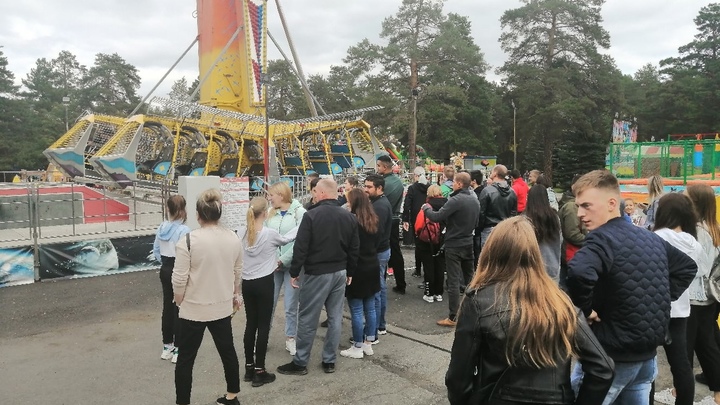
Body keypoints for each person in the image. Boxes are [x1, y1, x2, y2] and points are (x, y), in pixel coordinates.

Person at [446, 217, 614, 405]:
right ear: (535, 253)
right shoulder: (562, 303)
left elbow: (458, 377)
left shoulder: (478, 301)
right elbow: (603, 368)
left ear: (491, 251)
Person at [567, 170, 696, 404]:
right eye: (578, 206)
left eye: (586, 206)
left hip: (611, 358)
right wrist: (658, 299)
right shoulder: (650, 238)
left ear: (611, 203)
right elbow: (686, 267)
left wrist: (586, 310)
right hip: (646, 360)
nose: (580, 214)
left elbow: (577, 272)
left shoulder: (602, 238)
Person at [277, 179, 359, 376]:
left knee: (307, 317)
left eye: (315, 192)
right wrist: (350, 272)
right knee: (335, 317)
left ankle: (301, 362)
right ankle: (329, 360)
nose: (313, 195)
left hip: (317, 273)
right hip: (339, 272)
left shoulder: (312, 216)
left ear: (322, 193)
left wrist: (295, 272)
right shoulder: (348, 216)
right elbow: (354, 247)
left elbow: (301, 247)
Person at [172, 189, 243, 405]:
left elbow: (179, 278)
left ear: (198, 215)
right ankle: (232, 395)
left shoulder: (189, 241)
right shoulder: (232, 237)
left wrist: (179, 299)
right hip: (221, 306)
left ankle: (183, 402)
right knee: (227, 351)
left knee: (185, 359)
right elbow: (237, 271)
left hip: (193, 307)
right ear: (218, 213)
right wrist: (235, 294)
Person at [651, 193, 702, 405]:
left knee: (647, 361)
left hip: (653, 307)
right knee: (681, 364)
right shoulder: (695, 244)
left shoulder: (656, 237)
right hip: (680, 309)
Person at [240, 197, 298, 387]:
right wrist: (302, 225)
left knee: (251, 324)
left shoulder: (241, 232)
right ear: (265, 214)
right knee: (263, 325)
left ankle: (249, 367)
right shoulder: (269, 234)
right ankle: (260, 370)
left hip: (247, 283)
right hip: (264, 282)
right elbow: (287, 239)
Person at [422, 172, 480, 327]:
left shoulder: (456, 200)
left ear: (460, 184)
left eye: (454, 182)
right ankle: (475, 311)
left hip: (454, 244)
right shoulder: (474, 199)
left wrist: (425, 208)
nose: (452, 184)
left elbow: (436, 216)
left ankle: (453, 316)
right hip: (468, 242)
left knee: (454, 281)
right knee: (471, 279)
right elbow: (476, 222)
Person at [685, 184, 720, 405]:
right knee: (708, 348)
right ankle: (717, 396)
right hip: (709, 298)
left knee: (685, 348)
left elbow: (699, 268)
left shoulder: (697, 231)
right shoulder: (713, 227)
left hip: (693, 297)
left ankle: (681, 392)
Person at [339, 189, 381, 359]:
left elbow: (348, 248)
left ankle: (357, 345)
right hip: (372, 265)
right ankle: (368, 342)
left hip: (357, 268)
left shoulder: (351, 221)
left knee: (356, 309)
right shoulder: (373, 219)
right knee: (370, 307)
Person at [266, 182, 306, 357]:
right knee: (268, 304)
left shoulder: (300, 213)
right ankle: (263, 338)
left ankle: (291, 338)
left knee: (291, 305)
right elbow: (267, 237)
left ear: (281, 195)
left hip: (291, 266)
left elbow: (300, 241)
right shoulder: (270, 213)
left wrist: (282, 260)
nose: (269, 198)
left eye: (271, 195)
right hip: (272, 265)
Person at [154, 195, 190, 364]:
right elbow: (187, 252)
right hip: (178, 269)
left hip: (165, 268)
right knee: (179, 308)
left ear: (168, 209)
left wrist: (164, 263)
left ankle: (167, 346)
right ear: (183, 210)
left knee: (167, 307)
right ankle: (178, 347)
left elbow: (156, 251)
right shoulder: (184, 230)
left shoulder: (162, 227)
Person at [364, 174, 393, 337]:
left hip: (378, 252)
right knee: (379, 288)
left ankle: (374, 329)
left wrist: (369, 252)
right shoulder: (377, 202)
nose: (365, 189)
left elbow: (377, 232)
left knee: (376, 291)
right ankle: (379, 325)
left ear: (379, 188)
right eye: (365, 186)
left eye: (369, 187)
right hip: (380, 250)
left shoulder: (380, 206)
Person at [376, 155, 406, 295]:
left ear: (385, 167)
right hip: (395, 218)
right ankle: (401, 283)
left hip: (384, 219)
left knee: (381, 251)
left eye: (378, 166)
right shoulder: (398, 182)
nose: (377, 168)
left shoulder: (383, 183)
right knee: (395, 252)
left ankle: (379, 284)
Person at [524, 185, 561, 282]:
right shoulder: (554, 217)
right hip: (552, 265)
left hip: (531, 269)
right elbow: (560, 239)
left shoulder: (525, 218)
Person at [417, 184, 447, 303]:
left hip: (427, 241)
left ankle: (429, 293)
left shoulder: (426, 207)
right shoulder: (448, 204)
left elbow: (419, 225)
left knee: (428, 266)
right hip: (442, 240)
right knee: (440, 265)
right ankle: (439, 293)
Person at [477, 165, 518, 248]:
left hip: (489, 230)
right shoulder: (512, 193)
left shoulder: (487, 191)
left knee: (487, 258)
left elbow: (481, 213)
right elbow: (513, 214)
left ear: (495, 174)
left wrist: (479, 230)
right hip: (505, 230)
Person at [558, 174, 586, 289]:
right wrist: (593, 240)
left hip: (572, 255)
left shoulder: (574, 204)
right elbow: (572, 234)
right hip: (571, 254)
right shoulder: (572, 207)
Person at [403, 166, 429, 277]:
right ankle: (428, 269)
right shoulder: (430, 187)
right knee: (428, 243)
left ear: (416, 176)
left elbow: (407, 204)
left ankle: (418, 270)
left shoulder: (412, 188)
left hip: (416, 218)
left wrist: (405, 219)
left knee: (418, 245)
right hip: (428, 217)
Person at [469, 170, 485, 267]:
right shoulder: (485, 192)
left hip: (476, 229)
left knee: (476, 253)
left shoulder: (474, 195)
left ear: (474, 181)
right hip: (481, 228)